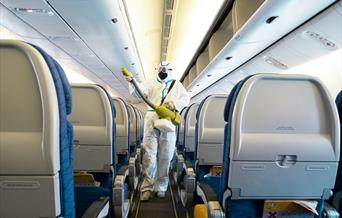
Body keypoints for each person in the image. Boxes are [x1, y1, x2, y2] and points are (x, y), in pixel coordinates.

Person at [124, 61, 190, 201]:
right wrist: (132, 81)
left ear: (171, 70)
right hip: (151, 119)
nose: (163, 71)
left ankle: (161, 186)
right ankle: (147, 187)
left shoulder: (177, 85)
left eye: (166, 69)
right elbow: (138, 92)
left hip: (167, 121)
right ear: (157, 69)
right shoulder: (150, 82)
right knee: (149, 155)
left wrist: (174, 104)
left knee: (165, 156)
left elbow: (186, 99)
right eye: (161, 69)